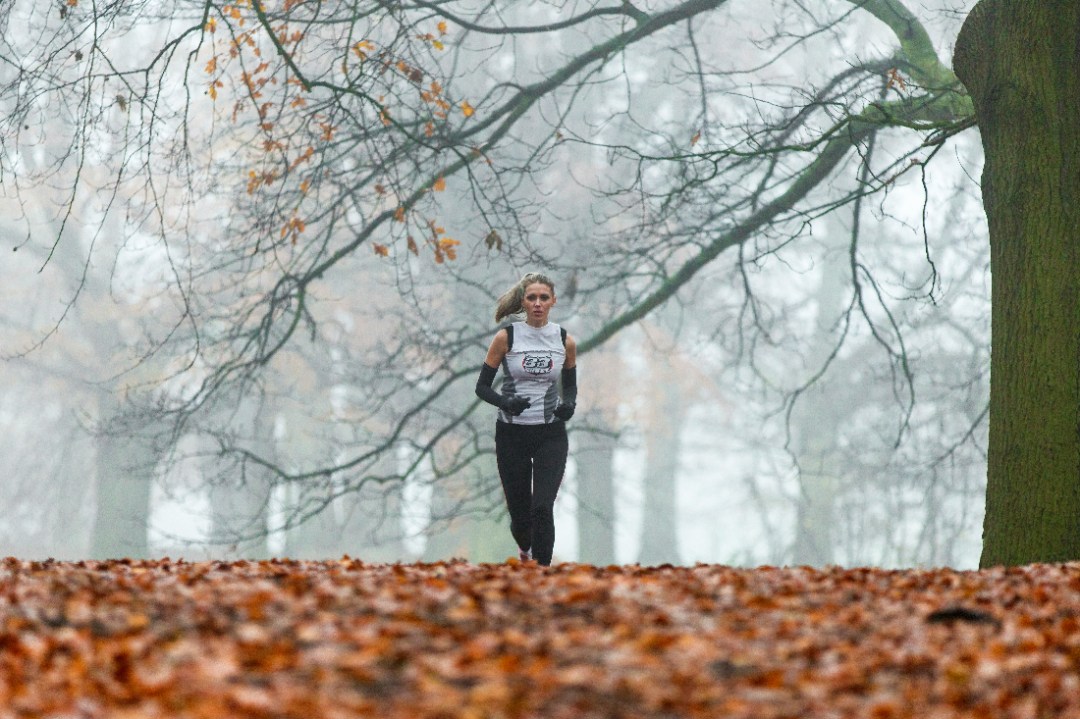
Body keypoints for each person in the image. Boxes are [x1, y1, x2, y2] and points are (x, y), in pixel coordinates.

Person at [474, 272, 577, 566]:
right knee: (521, 519)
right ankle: (525, 551)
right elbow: (481, 387)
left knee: (543, 508)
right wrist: (505, 401)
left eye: (544, 298)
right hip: (512, 435)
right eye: (531, 297)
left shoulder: (564, 340)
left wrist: (568, 404)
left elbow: (569, 386)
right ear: (523, 301)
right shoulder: (506, 337)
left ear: (553, 301)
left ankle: (543, 576)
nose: (537, 303)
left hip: (550, 435)